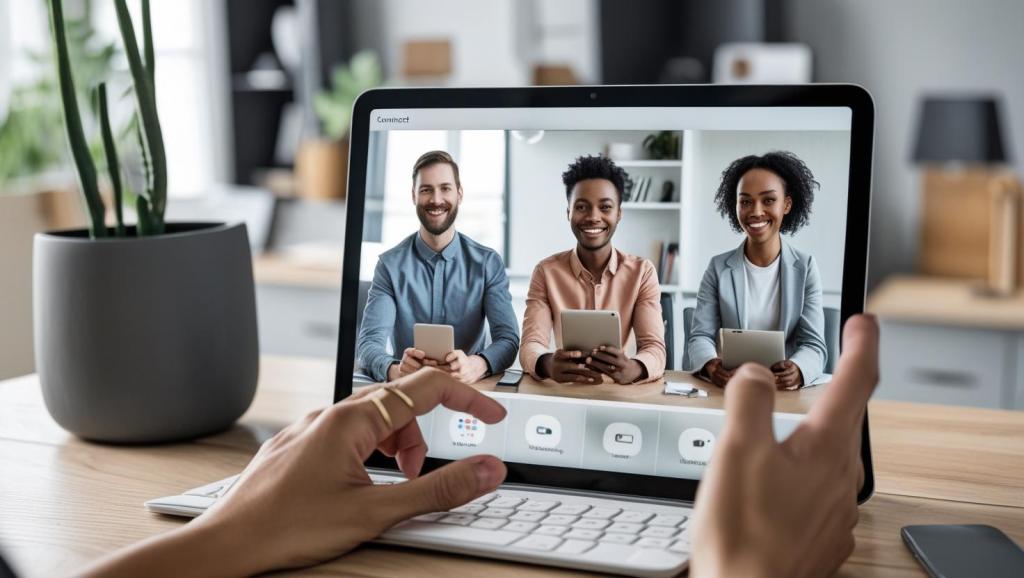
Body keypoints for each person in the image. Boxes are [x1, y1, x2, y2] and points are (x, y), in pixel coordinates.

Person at [71, 314, 879, 578]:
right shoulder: (539, 275)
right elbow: (524, 340)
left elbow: (662, 345)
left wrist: (229, 538)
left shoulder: (631, 270)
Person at [357, 150, 519, 385]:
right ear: (414, 196)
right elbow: (369, 343)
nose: (436, 199)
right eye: (426, 190)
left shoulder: (487, 263)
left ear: (459, 194)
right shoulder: (389, 266)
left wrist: (477, 365)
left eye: (445, 188)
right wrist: (396, 370)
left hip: (468, 391)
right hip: (408, 391)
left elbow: (508, 339)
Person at [519, 155, 666, 385]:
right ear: (568, 212)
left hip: (619, 394)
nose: (593, 217)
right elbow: (530, 344)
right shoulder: (546, 272)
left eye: (605, 207)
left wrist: (635, 368)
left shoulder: (642, 273)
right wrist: (547, 364)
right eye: (581, 207)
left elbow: (654, 348)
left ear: (619, 213)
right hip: (564, 391)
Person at [687, 151, 827, 389]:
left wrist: (798, 369)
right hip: (731, 389)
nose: (756, 211)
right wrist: (711, 366)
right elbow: (700, 336)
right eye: (746, 201)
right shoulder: (718, 267)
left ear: (787, 204)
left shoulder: (805, 267)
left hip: (783, 392)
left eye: (769, 200)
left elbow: (814, 345)